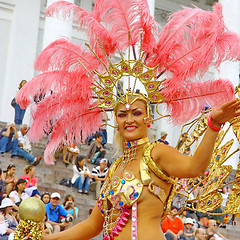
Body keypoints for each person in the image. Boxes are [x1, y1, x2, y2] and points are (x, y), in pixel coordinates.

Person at [18, 1, 240, 240]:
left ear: (148, 118)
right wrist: (43, 239)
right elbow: (92, 226)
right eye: (122, 115)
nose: (129, 120)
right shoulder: (115, 168)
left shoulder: (157, 154)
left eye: (136, 113)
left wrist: (214, 125)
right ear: (115, 120)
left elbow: (194, 167)